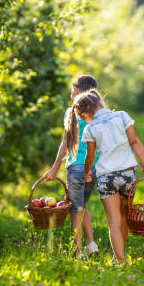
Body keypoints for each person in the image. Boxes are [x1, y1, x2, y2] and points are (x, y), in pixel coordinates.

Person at [65, 90, 144, 264]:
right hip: (128, 174)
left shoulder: (91, 128)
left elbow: (89, 156)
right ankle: (118, 255)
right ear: (100, 103)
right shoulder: (122, 116)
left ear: (84, 114)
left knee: (113, 222)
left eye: (83, 119)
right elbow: (135, 142)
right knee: (124, 216)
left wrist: (86, 172)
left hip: (107, 179)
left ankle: (120, 261)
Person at [43, 75, 100, 258]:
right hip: (95, 168)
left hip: (76, 167)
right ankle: (91, 244)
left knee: (75, 209)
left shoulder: (72, 111)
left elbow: (65, 144)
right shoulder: (98, 112)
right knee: (81, 204)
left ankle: (77, 252)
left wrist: (55, 167)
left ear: (76, 90)